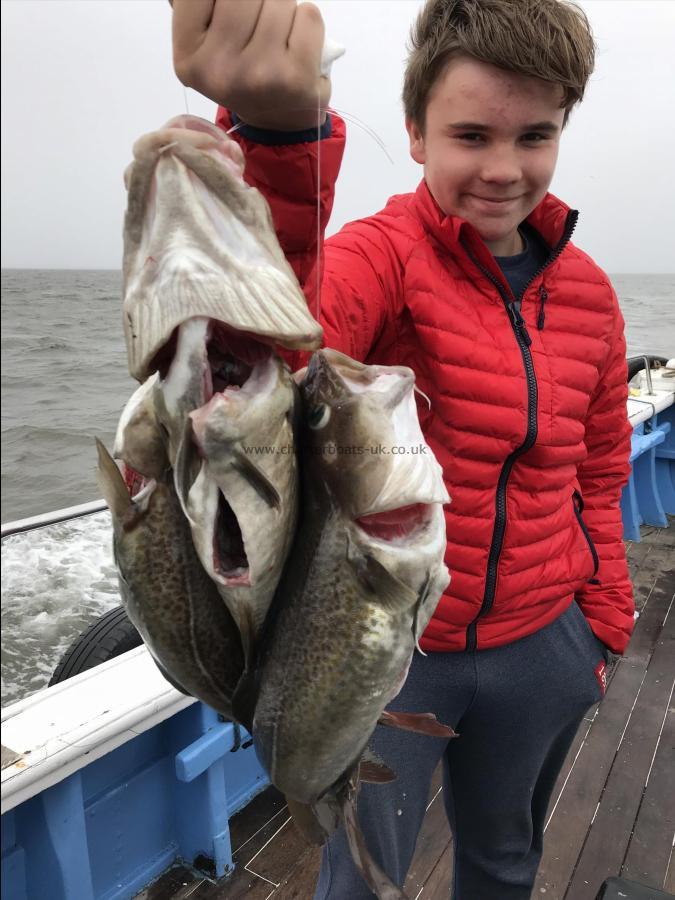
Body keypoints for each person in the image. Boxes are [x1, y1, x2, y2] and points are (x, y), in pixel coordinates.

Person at [171, 1, 635, 897]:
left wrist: (600, 623)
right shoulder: (378, 256)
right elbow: (271, 340)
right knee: (361, 875)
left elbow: (602, 464)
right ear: (416, 135)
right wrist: (278, 139)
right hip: (388, 657)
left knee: (505, 860)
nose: (503, 169)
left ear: (561, 131)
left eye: (533, 135)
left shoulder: (590, 295)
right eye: (470, 135)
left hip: (545, 644)